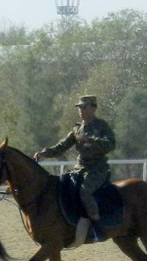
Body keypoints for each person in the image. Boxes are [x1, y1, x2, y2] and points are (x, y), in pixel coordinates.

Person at [34, 95, 116, 235]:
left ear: (93, 108)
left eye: (84, 107)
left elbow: (111, 145)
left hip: (97, 169)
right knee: (63, 187)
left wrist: (90, 140)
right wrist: (44, 153)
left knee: (84, 191)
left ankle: (97, 226)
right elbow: (61, 146)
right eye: (79, 107)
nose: (80, 110)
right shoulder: (77, 128)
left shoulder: (101, 126)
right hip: (80, 168)